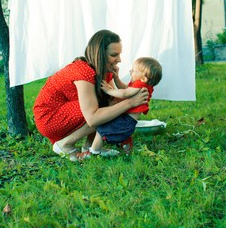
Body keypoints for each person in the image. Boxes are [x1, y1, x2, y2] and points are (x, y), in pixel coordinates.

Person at [33, 30, 149, 161]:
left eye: (119, 54)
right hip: (49, 118)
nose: (119, 60)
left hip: (66, 112)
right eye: (113, 55)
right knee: (104, 106)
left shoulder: (103, 70)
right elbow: (93, 118)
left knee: (110, 103)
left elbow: (113, 99)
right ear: (99, 54)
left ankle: (90, 146)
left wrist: (132, 95)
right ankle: (64, 144)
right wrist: (130, 103)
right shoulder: (83, 72)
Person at [79, 57, 162, 158]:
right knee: (123, 134)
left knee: (102, 130)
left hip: (126, 120)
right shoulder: (139, 85)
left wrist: (108, 90)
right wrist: (116, 78)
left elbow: (125, 93)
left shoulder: (141, 85)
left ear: (143, 78)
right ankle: (126, 151)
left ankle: (93, 152)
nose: (130, 71)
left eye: (134, 70)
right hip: (128, 120)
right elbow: (125, 88)